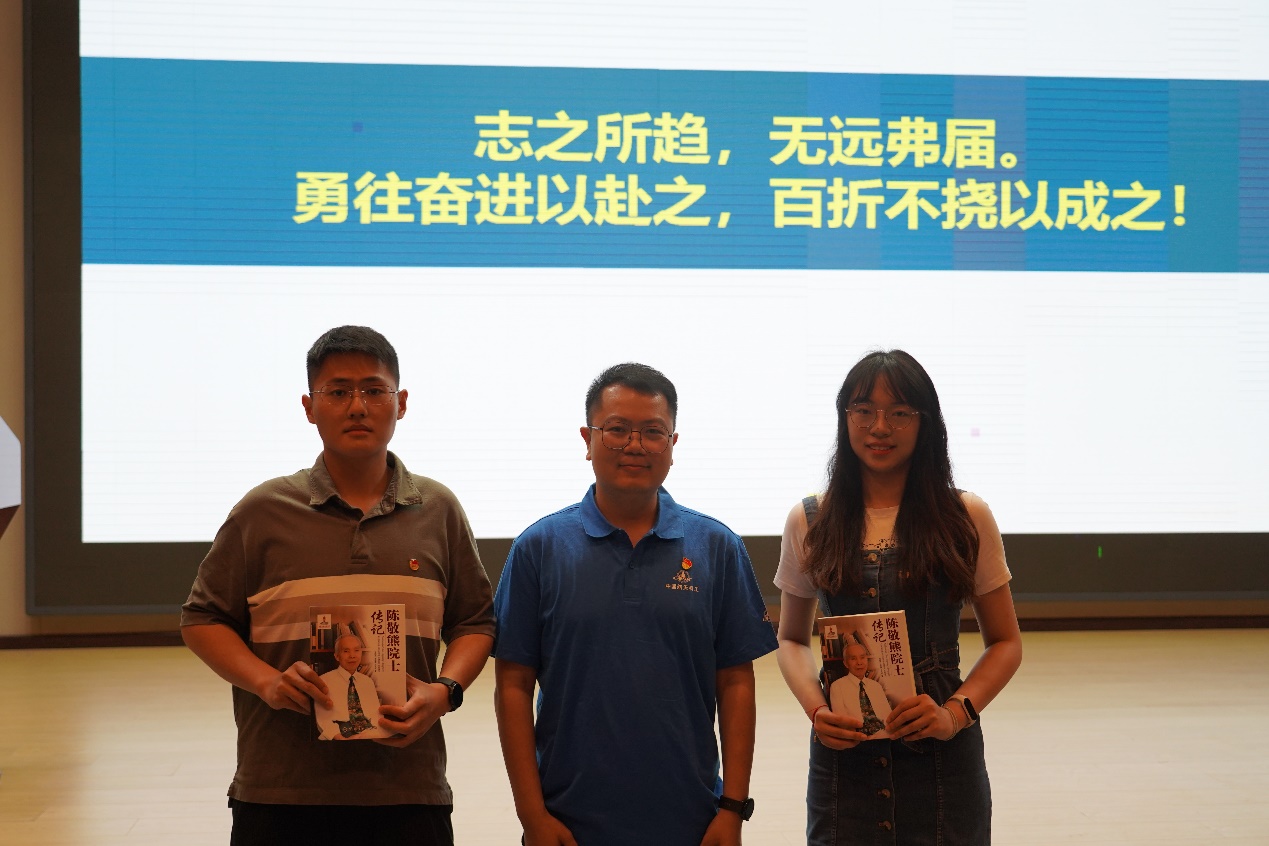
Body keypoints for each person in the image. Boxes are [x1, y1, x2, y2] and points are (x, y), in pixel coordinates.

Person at [181, 325, 495, 846]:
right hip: (280, 791)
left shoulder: (438, 510)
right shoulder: (262, 511)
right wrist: (266, 681)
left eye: (374, 390)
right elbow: (202, 620)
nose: (358, 406)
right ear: (309, 407)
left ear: (401, 403)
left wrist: (445, 692)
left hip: (408, 789)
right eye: (338, 391)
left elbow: (475, 622)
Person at [492, 363, 779, 846]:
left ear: (672, 444)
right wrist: (532, 816)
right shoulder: (538, 548)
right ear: (588, 439)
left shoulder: (717, 546)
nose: (635, 445)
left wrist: (732, 809)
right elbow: (513, 686)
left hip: (692, 819)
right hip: (567, 821)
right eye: (617, 429)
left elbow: (735, 682)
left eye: (652, 432)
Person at [774, 349, 1023, 845]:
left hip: (941, 753)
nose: (879, 427)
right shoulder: (811, 518)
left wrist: (953, 715)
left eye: (899, 412)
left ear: (925, 422)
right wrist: (817, 711)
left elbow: (1006, 643)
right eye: (863, 410)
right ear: (845, 417)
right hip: (845, 754)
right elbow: (791, 639)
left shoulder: (965, 516)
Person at [315, 633, 386, 740]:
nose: (352, 655)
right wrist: (339, 738)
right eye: (346, 651)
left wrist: (375, 734)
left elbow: (376, 715)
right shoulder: (323, 681)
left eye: (356, 650)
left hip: (369, 735)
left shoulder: (367, 681)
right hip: (339, 737)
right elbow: (322, 719)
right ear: (337, 656)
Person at [828, 641, 892, 737]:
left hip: (883, 735)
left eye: (862, 657)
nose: (859, 663)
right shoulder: (837, 686)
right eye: (853, 659)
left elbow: (887, 715)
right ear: (845, 663)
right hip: (857, 737)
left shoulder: (876, 686)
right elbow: (841, 722)